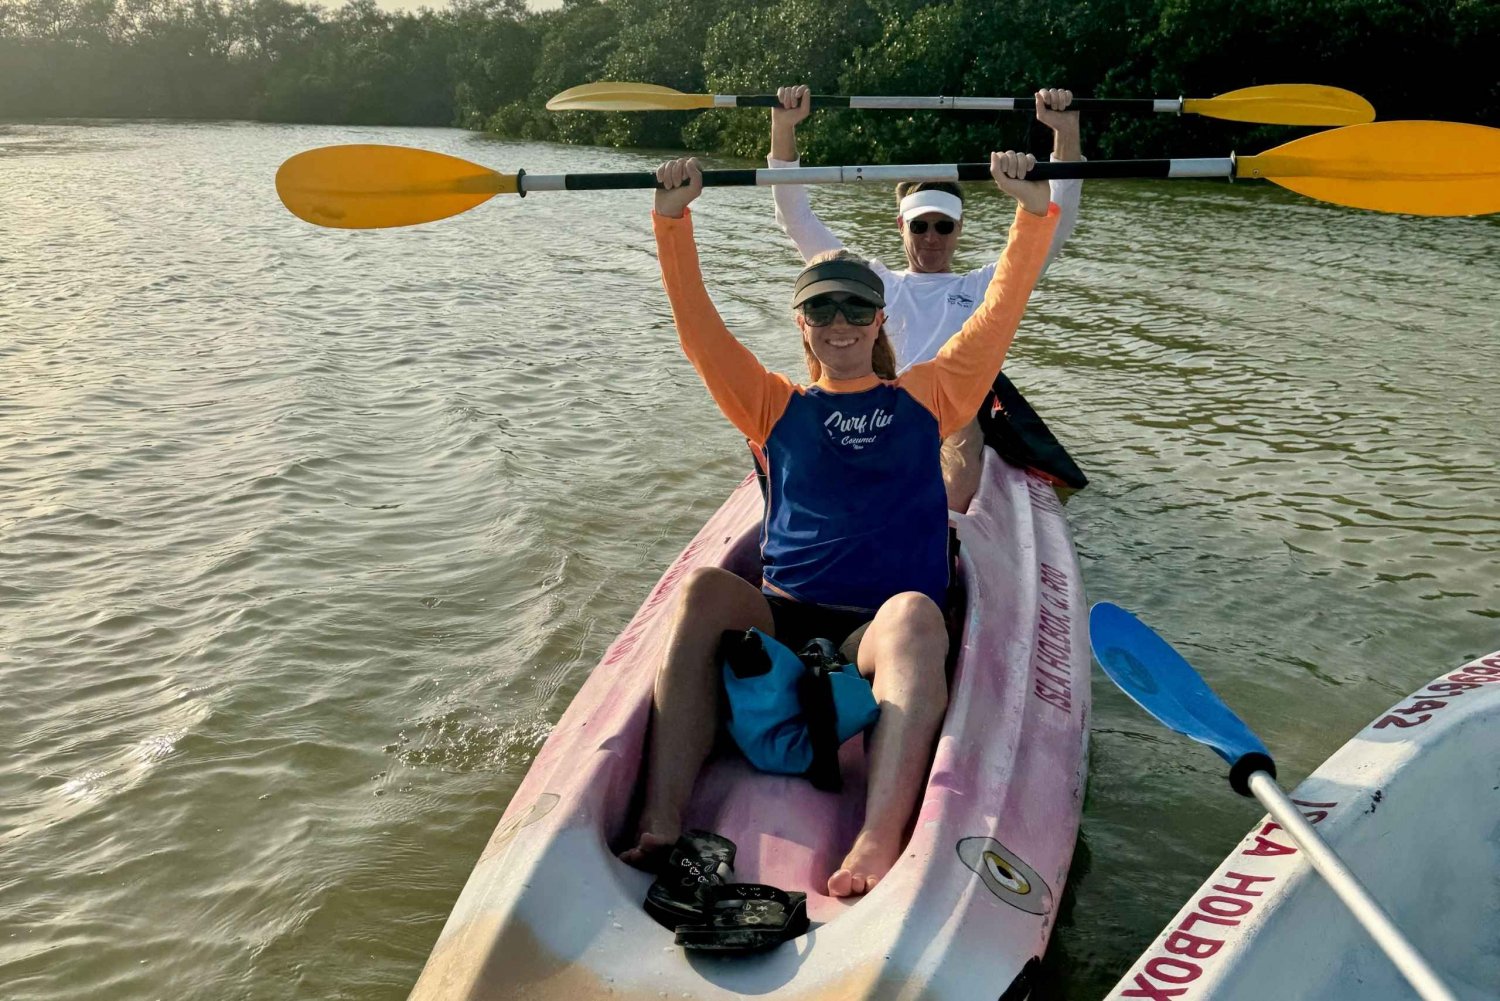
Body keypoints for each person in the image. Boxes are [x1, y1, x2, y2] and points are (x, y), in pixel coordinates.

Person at [618, 152, 1059, 898]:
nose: (841, 323)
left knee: (919, 615)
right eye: (822, 309)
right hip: (780, 614)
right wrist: (672, 221)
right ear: (802, 325)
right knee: (699, 592)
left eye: (857, 308)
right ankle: (661, 816)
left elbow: (1001, 310)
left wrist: (1031, 212)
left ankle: (876, 839)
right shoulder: (772, 403)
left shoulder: (929, 395)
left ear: (880, 319)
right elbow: (699, 333)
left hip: (874, 635)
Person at [769, 85, 1086, 508]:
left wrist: (1065, 133)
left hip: (949, 410)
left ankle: (942, 527)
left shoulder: (983, 286)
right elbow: (795, 216)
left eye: (943, 227)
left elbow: (1054, 226)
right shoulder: (869, 280)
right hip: (874, 399)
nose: (931, 239)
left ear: (959, 230)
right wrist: (783, 126)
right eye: (920, 227)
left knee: (961, 427)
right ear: (901, 227)